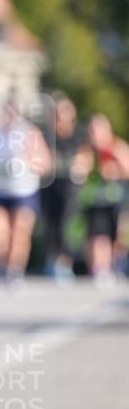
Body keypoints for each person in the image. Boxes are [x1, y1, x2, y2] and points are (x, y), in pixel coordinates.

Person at [0, 97, 51, 286]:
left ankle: (14, 271)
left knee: (19, 232)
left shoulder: (30, 132)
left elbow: (45, 164)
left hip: (22, 190)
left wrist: (26, 161)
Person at [40, 93, 92, 282]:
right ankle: (52, 259)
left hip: (70, 186)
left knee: (67, 223)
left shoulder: (77, 134)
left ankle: (65, 262)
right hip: (50, 185)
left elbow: (84, 158)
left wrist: (78, 167)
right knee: (51, 222)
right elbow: (44, 159)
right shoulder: (47, 134)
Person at [80, 113, 129, 286]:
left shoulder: (117, 146)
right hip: (95, 200)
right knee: (97, 236)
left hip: (116, 200)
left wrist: (114, 170)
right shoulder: (88, 151)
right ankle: (99, 269)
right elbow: (79, 170)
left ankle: (115, 266)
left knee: (116, 236)